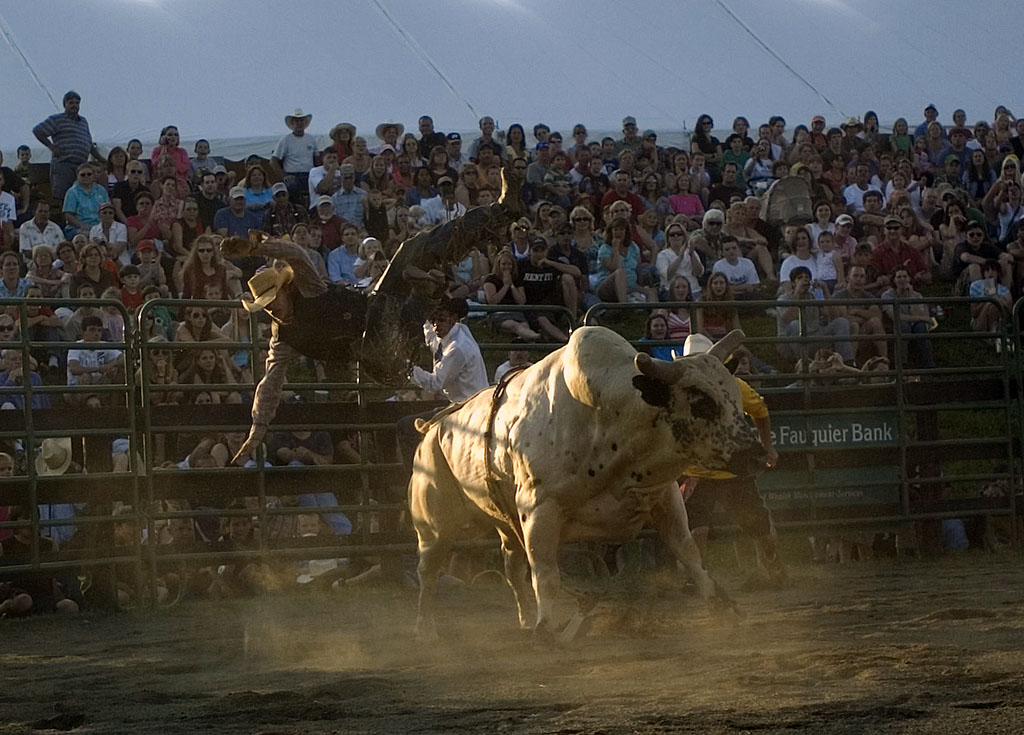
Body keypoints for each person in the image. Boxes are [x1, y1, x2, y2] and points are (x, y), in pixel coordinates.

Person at [682, 334, 784, 583]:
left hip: (730, 469)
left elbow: (760, 411)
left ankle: (774, 566)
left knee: (760, 529)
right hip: (700, 469)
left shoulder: (735, 387)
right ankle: (697, 578)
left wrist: (767, 446)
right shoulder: (685, 391)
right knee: (697, 530)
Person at [397, 298, 488, 467]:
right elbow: (431, 336)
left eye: (441, 320)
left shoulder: (457, 348)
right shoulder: (458, 332)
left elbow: (435, 383)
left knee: (406, 427)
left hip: (466, 408)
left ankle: (416, 477)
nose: (436, 325)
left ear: (453, 318)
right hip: (463, 404)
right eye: (433, 321)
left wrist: (406, 367)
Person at [32, 90, 101, 202]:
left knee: (81, 196)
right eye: (71, 102)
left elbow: (89, 143)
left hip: (81, 166)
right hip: (63, 164)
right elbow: (38, 131)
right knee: (63, 196)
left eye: (77, 103)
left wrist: (100, 158)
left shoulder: (83, 121)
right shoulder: (57, 119)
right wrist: (51, 146)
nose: (74, 105)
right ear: (65, 105)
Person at [776, 266, 853, 363]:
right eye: (800, 278)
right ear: (793, 283)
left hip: (815, 337)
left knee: (841, 322)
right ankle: (804, 365)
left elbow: (834, 315)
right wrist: (798, 295)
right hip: (792, 342)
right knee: (795, 324)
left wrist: (825, 290)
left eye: (807, 277)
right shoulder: (784, 299)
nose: (804, 280)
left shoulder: (814, 296)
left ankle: (847, 362)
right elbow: (788, 319)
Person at [881, 268, 935, 369]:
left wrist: (910, 297)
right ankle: (902, 365)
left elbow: (923, 315)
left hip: (915, 324)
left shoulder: (917, 296)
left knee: (921, 327)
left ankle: (928, 365)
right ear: (894, 280)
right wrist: (920, 318)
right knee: (903, 327)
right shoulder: (887, 295)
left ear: (909, 279)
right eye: (899, 277)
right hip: (895, 324)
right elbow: (895, 316)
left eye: (905, 276)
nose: (902, 279)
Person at [832, 265, 887, 361]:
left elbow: (878, 316)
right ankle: (851, 364)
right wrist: (866, 316)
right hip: (845, 334)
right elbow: (845, 318)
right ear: (848, 278)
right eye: (855, 276)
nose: (859, 279)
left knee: (876, 322)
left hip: (864, 332)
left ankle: (884, 361)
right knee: (854, 325)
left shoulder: (868, 297)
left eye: (862, 277)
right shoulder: (839, 296)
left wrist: (857, 311)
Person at [272, 108, 317, 207]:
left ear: (305, 122)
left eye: (301, 120)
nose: (299, 123)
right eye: (297, 121)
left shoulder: (311, 139)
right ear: (292, 123)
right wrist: (284, 176)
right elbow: (274, 160)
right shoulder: (285, 140)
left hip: (309, 174)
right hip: (292, 175)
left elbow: (316, 158)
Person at [968, 259, 1012, 344]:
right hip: (980, 320)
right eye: (987, 270)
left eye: (993, 270)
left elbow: (1009, 309)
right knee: (991, 303)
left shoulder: (1004, 289)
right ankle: (991, 335)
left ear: (998, 273)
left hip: (999, 318)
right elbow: (974, 312)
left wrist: (998, 299)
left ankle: (992, 335)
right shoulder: (976, 285)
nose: (990, 273)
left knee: (994, 304)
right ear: (984, 273)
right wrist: (987, 299)